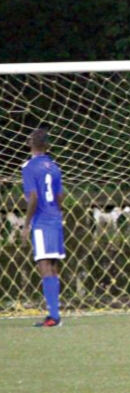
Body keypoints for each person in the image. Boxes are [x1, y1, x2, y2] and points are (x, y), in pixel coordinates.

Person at [21, 127, 66, 327]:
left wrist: (27, 223)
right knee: (53, 265)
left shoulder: (29, 167)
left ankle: (53, 316)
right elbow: (60, 196)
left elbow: (33, 197)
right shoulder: (54, 167)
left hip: (41, 221)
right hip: (55, 218)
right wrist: (57, 212)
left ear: (30, 144)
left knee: (44, 265)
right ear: (47, 146)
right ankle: (54, 314)